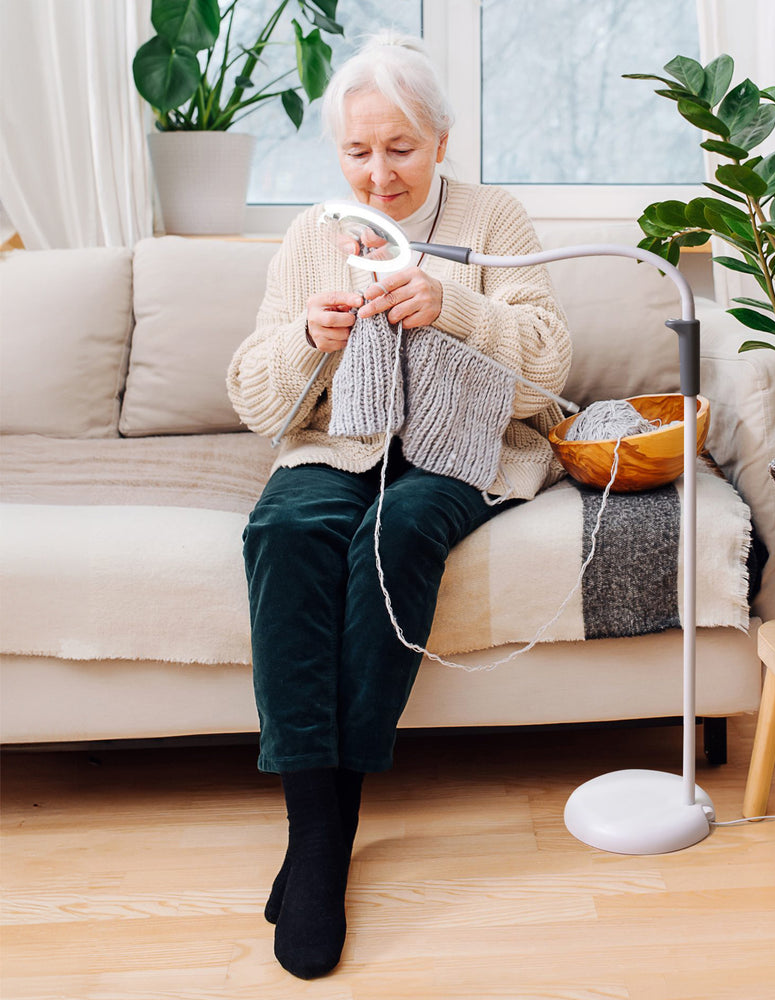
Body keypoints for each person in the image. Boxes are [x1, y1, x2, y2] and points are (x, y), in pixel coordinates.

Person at [227, 32, 572, 980]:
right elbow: (257, 402)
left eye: (400, 149)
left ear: (442, 141)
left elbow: (548, 372)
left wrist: (454, 308)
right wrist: (309, 335)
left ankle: (322, 843)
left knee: (400, 528)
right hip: (338, 440)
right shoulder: (312, 235)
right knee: (286, 530)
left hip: (460, 448)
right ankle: (319, 829)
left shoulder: (493, 219)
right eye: (356, 151)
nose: (377, 174)